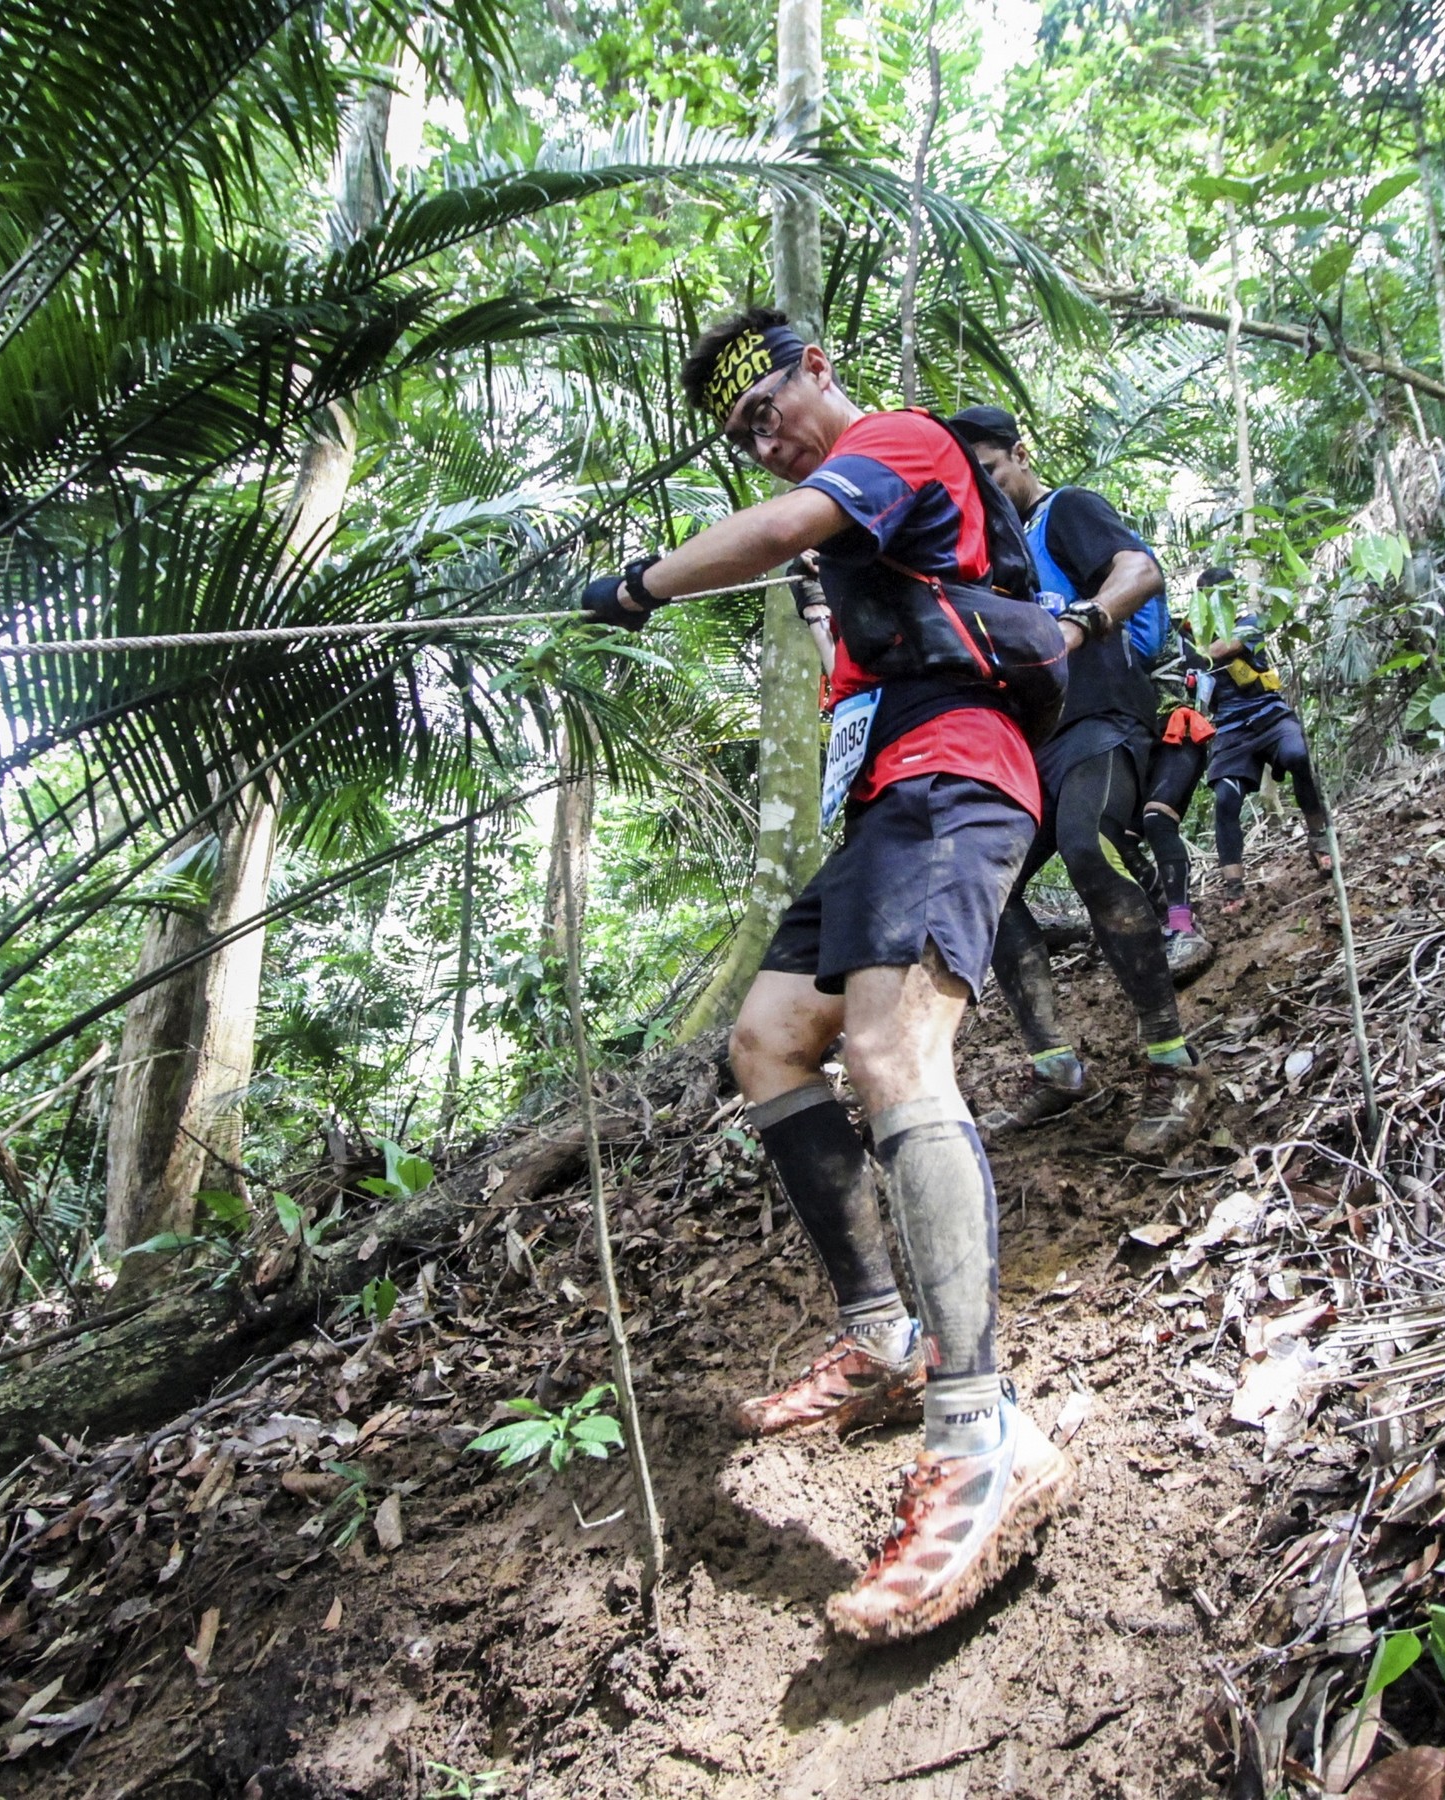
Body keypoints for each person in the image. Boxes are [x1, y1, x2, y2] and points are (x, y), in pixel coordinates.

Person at [577, 308, 1073, 1643]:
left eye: (769, 409)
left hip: (958, 776)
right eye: (741, 436)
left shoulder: (899, 443)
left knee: (894, 1050)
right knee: (764, 1040)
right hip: (888, 815)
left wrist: (641, 585)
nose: (767, 440)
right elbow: (821, 566)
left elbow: (790, 525)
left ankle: (983, 1436)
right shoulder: (851, 560)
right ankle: (888, 1342)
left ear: (818, 370)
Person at [942, 405, 1212, 1162]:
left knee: (1089, 843)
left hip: (1101, 716)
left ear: (1022, 454)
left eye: (992, 473)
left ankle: (1174, 1062)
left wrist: (1081, 622)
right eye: (973, 486)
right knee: (983, 890)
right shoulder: (983, 564)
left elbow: (1139, 571)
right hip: (1029, 747)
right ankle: (1055, 1069)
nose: (989, 495)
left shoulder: (1068, 511)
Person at [1199, 566, 1333, 900]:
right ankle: (1234, 888)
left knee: (1297, 757)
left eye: (1223, 594)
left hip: (1270, 715)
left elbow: (1223, 649)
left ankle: (1318, 838)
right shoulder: (1195, 636)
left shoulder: (1249, 624)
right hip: (1231, 730)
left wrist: (1193, 653)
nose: (1217, 601)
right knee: (1226, 799)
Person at [1136, 614, 1216, 981]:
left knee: (1157, 819)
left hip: (1179, 732)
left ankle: (1182, 925)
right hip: (1141, 744)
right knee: (1114, 839)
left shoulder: (1166, 632)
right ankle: (1165, 916)